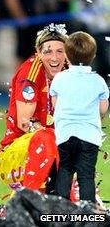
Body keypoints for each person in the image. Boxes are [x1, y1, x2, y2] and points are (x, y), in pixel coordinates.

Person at [0, 23, 68, 192]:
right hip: (13, 160)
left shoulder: (69, 73)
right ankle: (26, 201)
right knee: (47, 136)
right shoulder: (31, 72)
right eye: (48, 51)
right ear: (38, 52)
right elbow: (24, 122)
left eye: (60, 51)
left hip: (52, 154)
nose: (54, 58)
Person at [50, 31, 109, 203]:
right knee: (86, 175)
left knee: (65, 169)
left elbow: (55, 104)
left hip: (65, 134)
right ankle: (88, 212)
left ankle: (60, 209)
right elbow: (103, 108)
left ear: (67, 55)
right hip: (89, 136)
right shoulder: (98, 81)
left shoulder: (60, 78)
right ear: (94, 55)